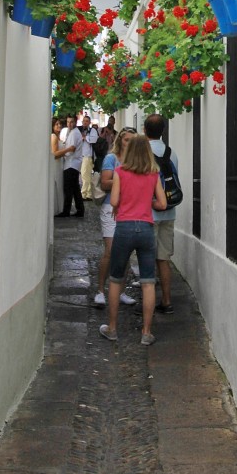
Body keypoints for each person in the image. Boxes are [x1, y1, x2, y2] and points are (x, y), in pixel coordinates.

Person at [100, 134, 166, 346]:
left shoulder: (120, 172)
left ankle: (112, 328)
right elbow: (162, 204)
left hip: (125, 228)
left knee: (116, 279)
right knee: (148, 282)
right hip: (146, 228)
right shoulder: (153, 174)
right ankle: (146, 332)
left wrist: (125, 205)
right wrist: (148, 202)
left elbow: (116, 200)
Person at [95, 127, 138, 308]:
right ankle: (100, 291)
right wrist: (126, 179)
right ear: (120, 140)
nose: (129, 143)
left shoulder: (136, 160)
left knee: (126, 252)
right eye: (127, 139)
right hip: (110, 208)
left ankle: (121, 291)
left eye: (133, 140)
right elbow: (105, 183)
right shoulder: (111, 159)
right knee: (111, 251)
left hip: (129, 208)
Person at [144, 113, 178, 314]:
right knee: (163, 259)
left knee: (147, 259)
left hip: (149, 212)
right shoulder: (172, 153)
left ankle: (147, 303)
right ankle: (166, 300)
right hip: (169, 212)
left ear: (145, 131)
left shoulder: (143, 152)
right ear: (163, 131)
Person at [58, 115, 84, 217]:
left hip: (71, 163)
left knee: (69, 188)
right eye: (68, 122)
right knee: (75, 188)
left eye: (71, 122)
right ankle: (79, 209)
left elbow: (72, 148)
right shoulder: (73, 132)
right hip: (73, 163)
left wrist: (62, 153)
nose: (69, 124)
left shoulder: (74, 133)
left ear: (75, 122)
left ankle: (67, 210)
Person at [80, 115, 99, 200]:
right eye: (84, 121)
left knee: (84, 175)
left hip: (88, 156)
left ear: (89, 122)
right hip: (81, 155)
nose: (85, 122)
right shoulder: (80, 130)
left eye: (87, 121)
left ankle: (83, 194)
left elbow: (94, 140)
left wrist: (85, 137)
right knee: (86, 175)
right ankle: (88, 194)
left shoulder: (92, 131)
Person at [50, 117, 67, 214]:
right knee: (57, 184)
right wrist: (68, 150)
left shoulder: (57, 136)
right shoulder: (54, 137)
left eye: (59, 123)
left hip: (59, 164)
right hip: (56, 164)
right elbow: (55, 154)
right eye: (56, 124)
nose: (59, 125)